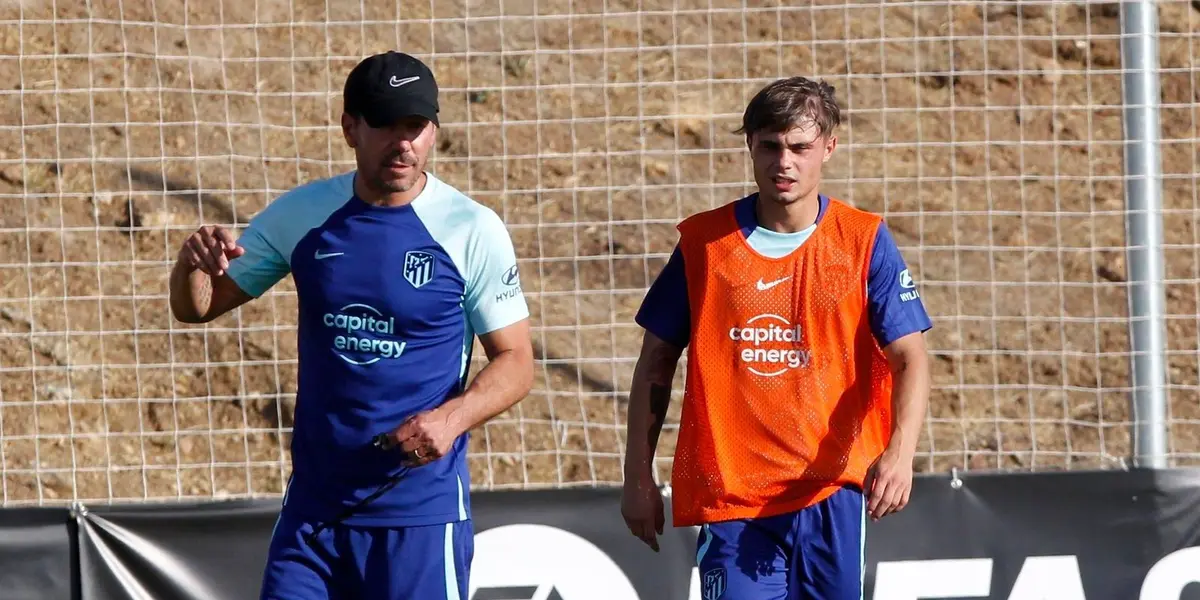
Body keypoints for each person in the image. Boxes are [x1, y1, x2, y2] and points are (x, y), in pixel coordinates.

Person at [168, 50, 534, 600]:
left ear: (433, 132)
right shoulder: (303, 215)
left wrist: (451, 419)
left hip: (419, 519)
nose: (403, 142)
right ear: (350, 128)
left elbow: (517, 362)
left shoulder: (470, 229)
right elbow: (197, 307)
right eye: (386, 124)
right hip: (313, 520)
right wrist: (190, 264)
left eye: (416, 126)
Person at [620, 76, 933, 599]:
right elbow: (655, 362)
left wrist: (900, 455)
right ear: (750, 146)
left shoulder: (863, 240)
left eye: (800, 147)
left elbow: (911, 358)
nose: (783, 161)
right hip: (734, 500)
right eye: (770, 145)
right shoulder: (704, 243)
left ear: (828, 148)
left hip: (831, 492)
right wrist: (637, 475)